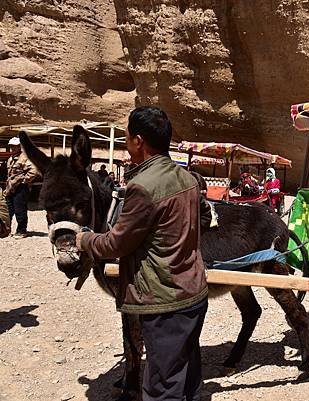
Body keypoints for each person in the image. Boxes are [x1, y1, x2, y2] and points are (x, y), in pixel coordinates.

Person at [75, 106, 209, 400]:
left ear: (138, 141)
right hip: (194, 294)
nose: (125, 140)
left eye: (126, 135)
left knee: (162, 389)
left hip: (165, 302)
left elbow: (116, 244)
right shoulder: (187, 178)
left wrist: (85, 239)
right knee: (188, 379)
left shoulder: (143, 187)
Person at [6, 136, 39, 238]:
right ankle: (6, 229)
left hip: (21, 188)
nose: (13, 148)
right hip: (11, 187)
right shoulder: (11, 158)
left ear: (19, 146)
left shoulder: (24, 158)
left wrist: (25, 180)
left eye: (15, 146)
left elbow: (33, 170)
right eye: (11, 146)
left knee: (20, 209)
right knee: (8, 209)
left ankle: (21, 230)